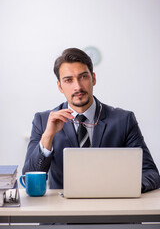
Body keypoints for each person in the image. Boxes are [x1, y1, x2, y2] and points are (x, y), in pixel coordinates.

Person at [22, 48, 160, 193]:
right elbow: (27, 179)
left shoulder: (123, 120)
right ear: (60, 86)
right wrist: (48, 137)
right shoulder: (43, 121)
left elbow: (151, 174)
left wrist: (121, 187)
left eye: (83, 77)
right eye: (68, 80)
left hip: (111, 207)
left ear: (93, 78)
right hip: (62, 210)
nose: (78, 87)